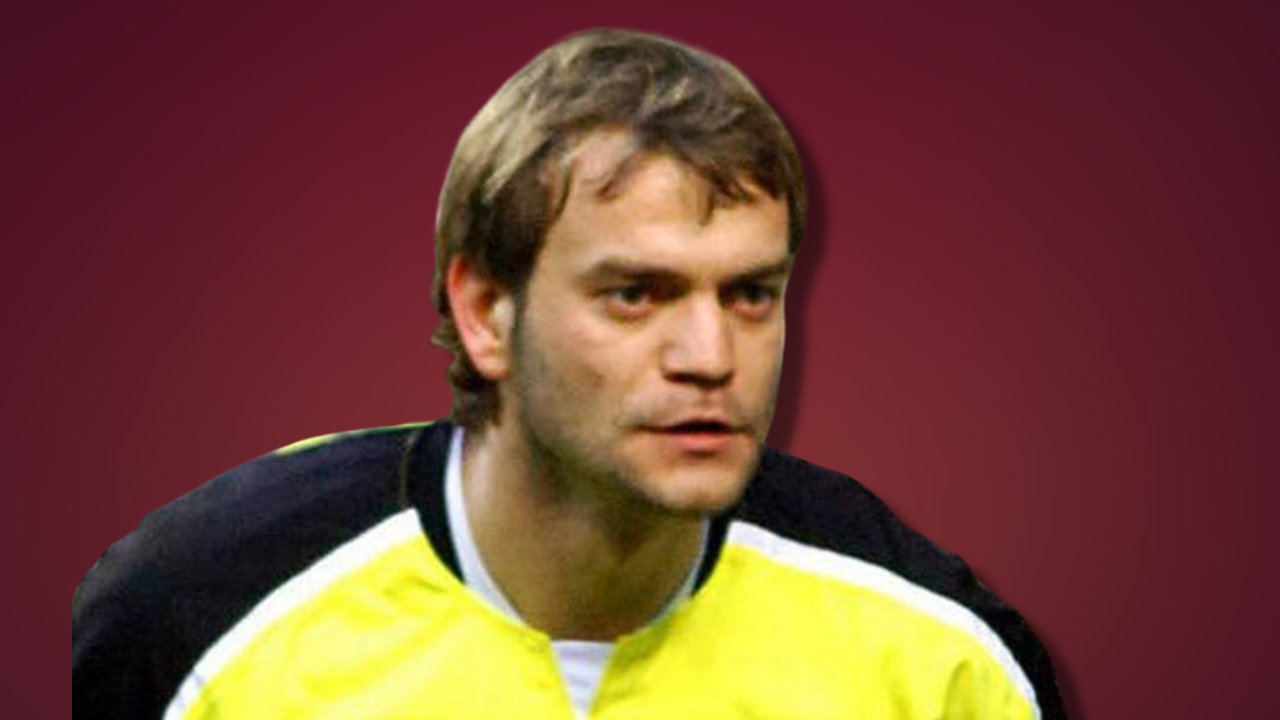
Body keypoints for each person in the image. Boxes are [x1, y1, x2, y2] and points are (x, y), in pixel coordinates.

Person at [73, 28, 1066, 720]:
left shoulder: (939, 655)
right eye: (635, 294)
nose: (710, 357)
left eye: (749, 294)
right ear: (483, 312)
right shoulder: (193, 618)